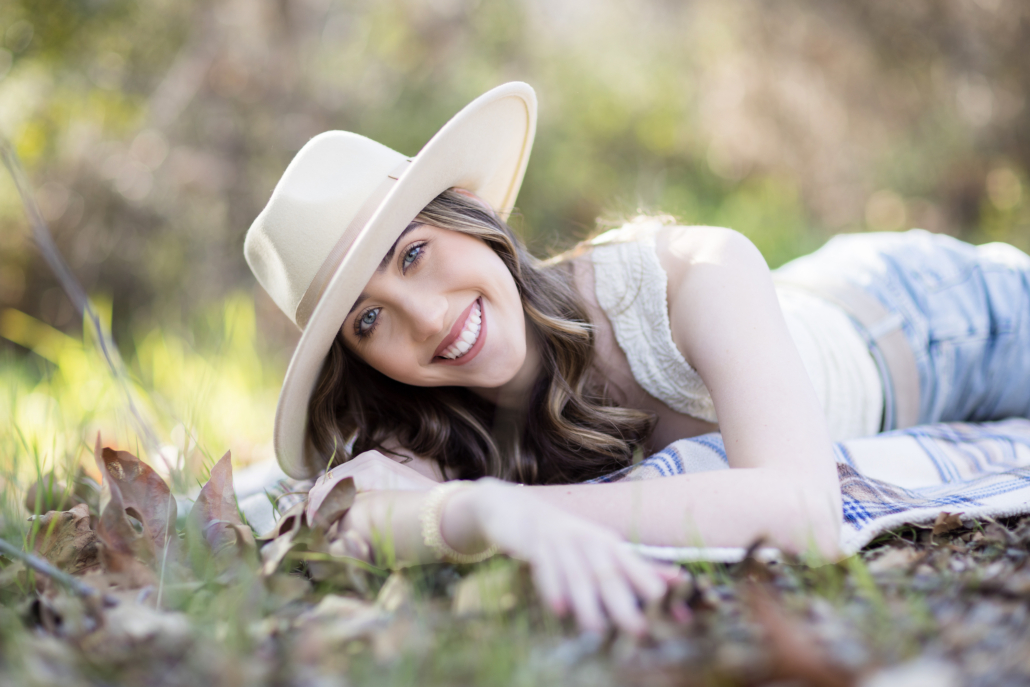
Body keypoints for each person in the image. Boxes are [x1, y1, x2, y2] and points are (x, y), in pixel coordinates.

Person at [243, 83, 1030, 634]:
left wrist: (523, 513)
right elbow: (341, 510)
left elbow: (806, 512)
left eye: (413, 252)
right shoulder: (429, 417)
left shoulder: (690, 272)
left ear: (470, 218)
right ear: (360, 360)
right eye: (370, 317)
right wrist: (482, 509)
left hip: (940, 316)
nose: (427, 317)